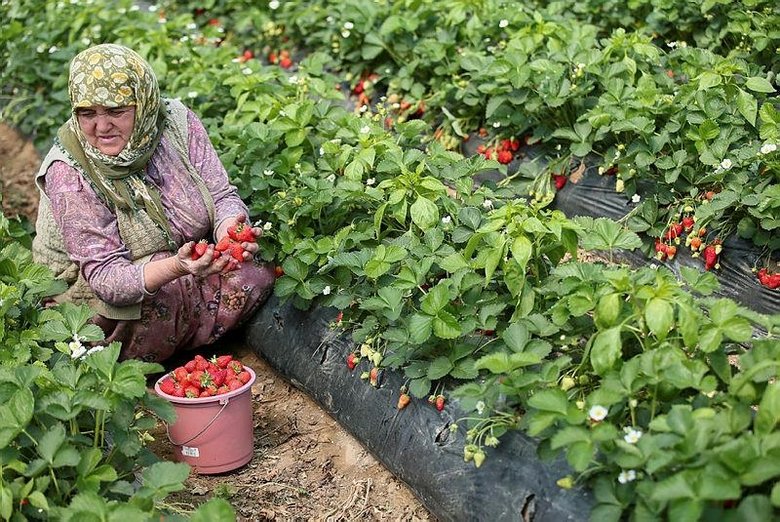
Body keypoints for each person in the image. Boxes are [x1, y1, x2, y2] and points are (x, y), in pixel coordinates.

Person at [33, 43, 275, 362]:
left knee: (253, 269)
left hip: (183, 259)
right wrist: (177, 266)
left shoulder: (175, 122)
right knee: (168, 294)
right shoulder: (68, 173)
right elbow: (107, 279)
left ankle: (184, 341)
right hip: (92, 294)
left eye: (116, 111)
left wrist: (230, 233)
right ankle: (145, 358)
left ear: (143, 103)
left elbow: (221, 196)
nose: (101, 127)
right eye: (87, 113)